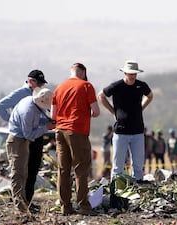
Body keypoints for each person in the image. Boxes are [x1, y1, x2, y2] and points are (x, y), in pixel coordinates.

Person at [0, 69, 48, 210]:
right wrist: (12, 122)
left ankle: (27, 201)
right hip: (22, 136)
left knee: (32, 169)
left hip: (34, 135)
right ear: (30, 81)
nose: (40, 86)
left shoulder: (39, 96)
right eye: (38, 83)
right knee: (20, 171)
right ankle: (20, 202)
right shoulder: (21, 94)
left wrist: (48, 123)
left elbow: (37, 118)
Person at [51, 63, 100, 216]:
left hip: (59, 131)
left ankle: (65, 206)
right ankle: (83, 205)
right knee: (80, 168)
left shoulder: (59, 88)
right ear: (83, 72)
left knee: (63, 169)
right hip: (77, 131)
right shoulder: (86, 86)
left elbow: (53, 115)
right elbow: (96, 112)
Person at [98, 60, 153, 182]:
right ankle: (116, 190)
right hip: (121, 131)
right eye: (130, 73)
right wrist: (113, 112)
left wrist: (141, 108)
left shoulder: (141, 85)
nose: (133, 76)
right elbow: (101, 95)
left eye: (134, 73)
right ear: (125, 73)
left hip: (138, 131)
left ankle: (137, 188)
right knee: (118, 166)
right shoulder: (116, 86)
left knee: (138, 166)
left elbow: (150, 96)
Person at [6, 87, 55, 213]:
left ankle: (23, 203)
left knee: (24, 173)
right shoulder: (27, 110)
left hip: (22, 141)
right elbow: (28, 134)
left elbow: (36, 121)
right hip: (18, 141)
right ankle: (20, 206)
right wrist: (46, 127)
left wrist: (47, 122)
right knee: (18, 174)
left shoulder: (31, 103)